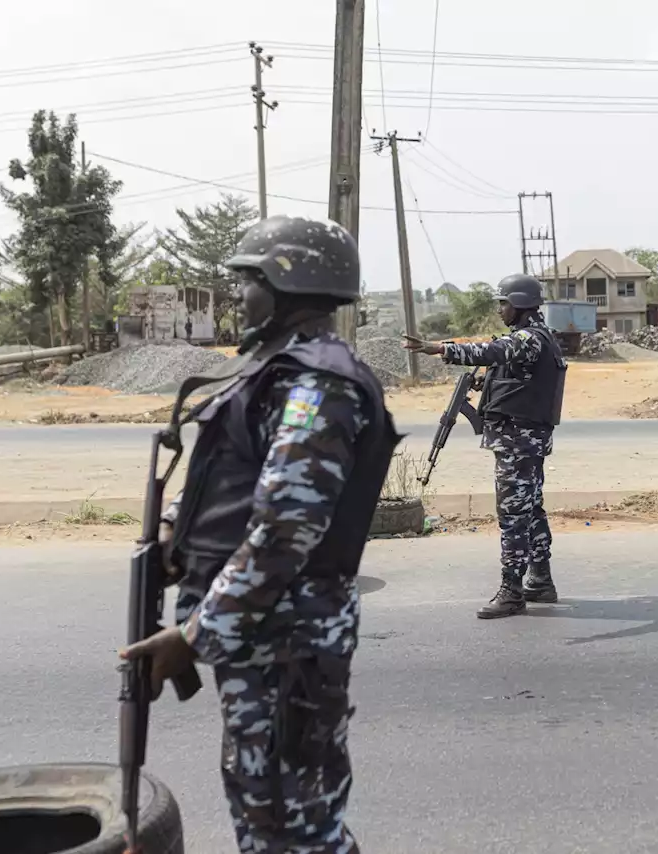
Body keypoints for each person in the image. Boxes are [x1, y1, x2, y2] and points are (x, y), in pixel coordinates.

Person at [119, 214, 399, 854]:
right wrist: (175, 539)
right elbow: (236, 483)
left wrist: (192, 637)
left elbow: (284, 532)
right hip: (262, 633)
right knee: (271, 816)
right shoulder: (270, 369)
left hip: (284, 639)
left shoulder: (316, 383)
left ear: (286, 283)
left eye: (249, 282)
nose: (238, 297)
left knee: (292, 830)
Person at [402, 273, 566, 619]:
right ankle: (540, 579)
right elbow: (510, 370)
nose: (499, 310)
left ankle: (512, 590)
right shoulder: (537, 338)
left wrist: (441, 349)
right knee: (530, 508)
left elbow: (493, 351)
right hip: (524, 440)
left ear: (519, 304)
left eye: (503, 303)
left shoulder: (528, 339)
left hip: (519, 442)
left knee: (512, 515)